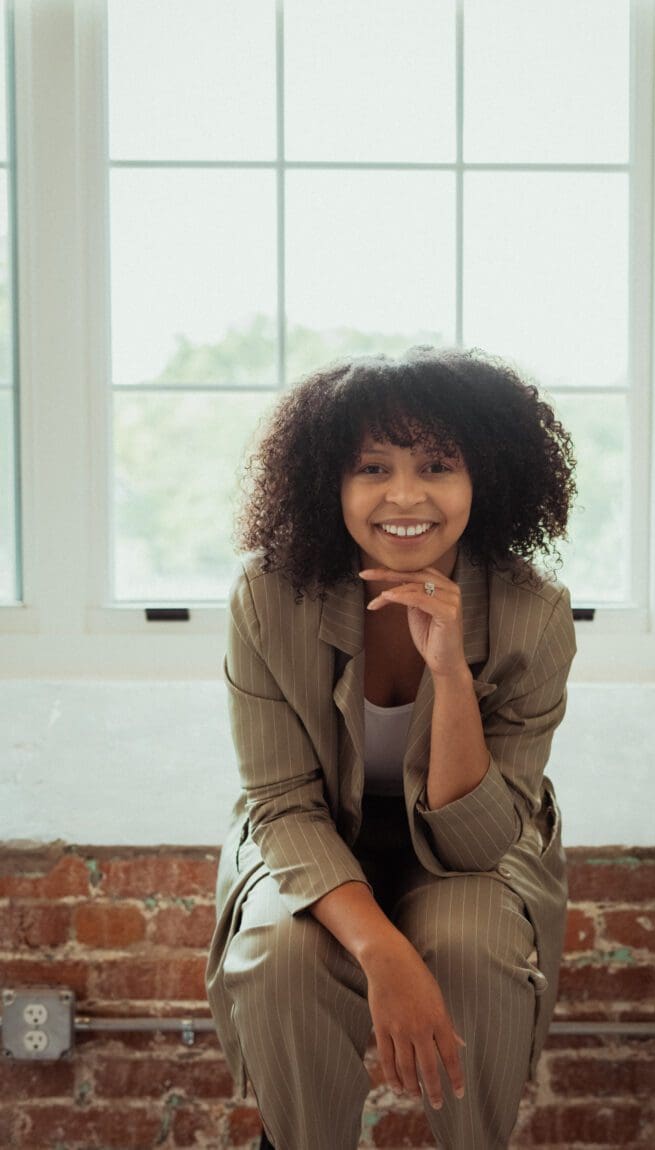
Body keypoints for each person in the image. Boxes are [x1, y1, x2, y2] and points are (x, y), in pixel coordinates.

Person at [205, 345, 577, 1150]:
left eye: (438, 465)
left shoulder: (533, 615)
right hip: (313, 836)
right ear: (329, 483)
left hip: (467, 853)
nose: (404, 496)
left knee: (475, 947)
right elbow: (282, 803)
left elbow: (476, 842)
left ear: (485, 478)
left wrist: (448, 667)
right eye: (373, 467)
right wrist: (385, 954)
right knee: (278, 955)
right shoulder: (268, 598)